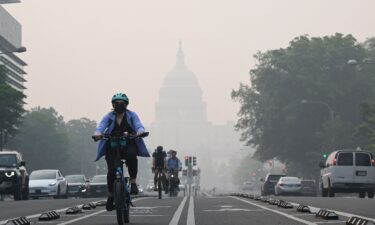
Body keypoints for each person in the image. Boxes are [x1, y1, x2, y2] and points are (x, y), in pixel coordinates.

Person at [93, 92, 149, 211]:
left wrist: (140, 131)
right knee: (111, 172)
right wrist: (98, 134)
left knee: (132, 156)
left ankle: (133, 182)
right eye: (116, 103)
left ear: (126, 105)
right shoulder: (109, 116)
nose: (119, 105)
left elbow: (138, 125)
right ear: (113, 105)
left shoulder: (132, 115)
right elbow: (101, 126)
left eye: (121, 103)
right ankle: (111, 195)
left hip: (128, 143)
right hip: (112, 145)